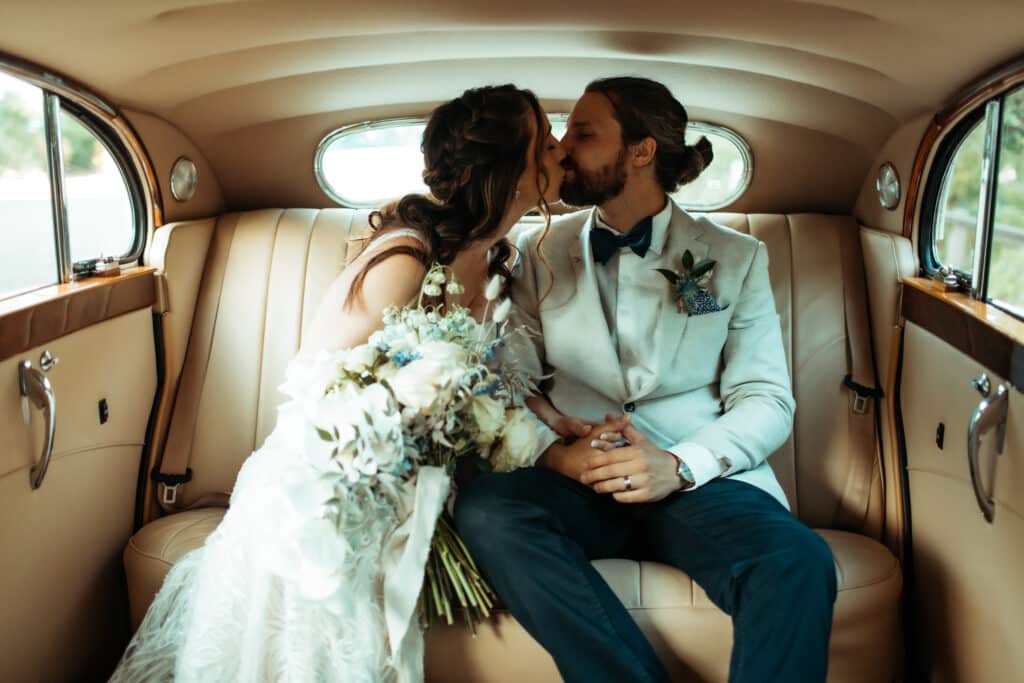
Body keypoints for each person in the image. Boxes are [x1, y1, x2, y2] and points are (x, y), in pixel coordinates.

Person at [110, 84, 568, 683]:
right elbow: (318, 388)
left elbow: (494, 379)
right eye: (546, 140)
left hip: (420, 479)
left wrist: (553, 426)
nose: (560, 151)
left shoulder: (502, 259)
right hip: (335, 478)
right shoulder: (408, 258)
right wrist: (408, 434)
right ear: (512, 170)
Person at [455, 77, 837, 683]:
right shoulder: (537, 251)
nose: (561, 147)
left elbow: (764, 399)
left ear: (641, 151)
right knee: (486, 510)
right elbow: (510, 381)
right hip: (581, 478)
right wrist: (559, 456)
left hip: (695, 479)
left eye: (583, 132)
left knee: (800, 559)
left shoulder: (736, 258)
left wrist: (680, 465)